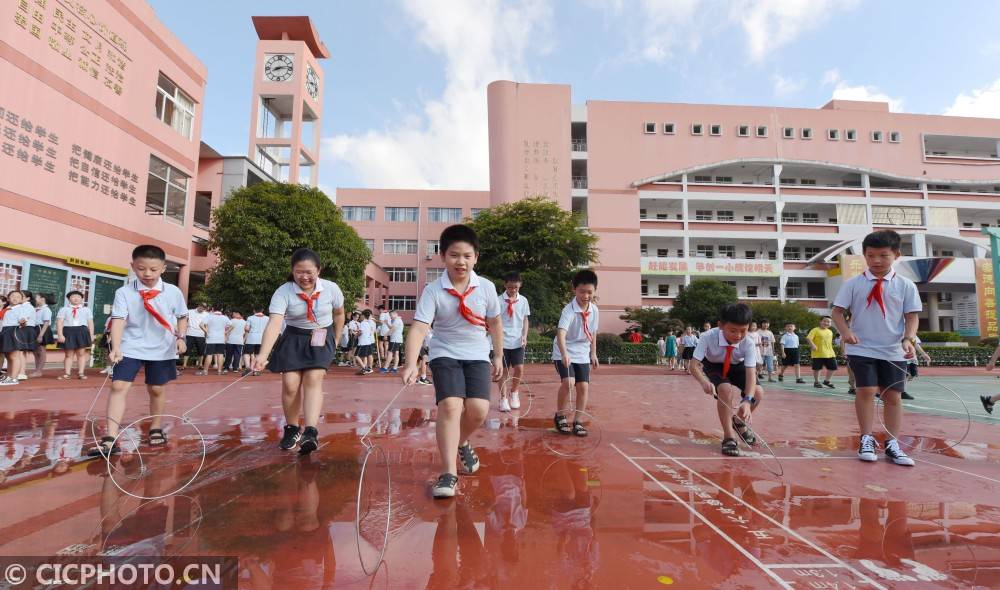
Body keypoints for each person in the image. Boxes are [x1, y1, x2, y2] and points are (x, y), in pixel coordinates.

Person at [401, 224, 503, 498]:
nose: (461, 261)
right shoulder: (434, 290)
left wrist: (499, 354)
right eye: (454, 255)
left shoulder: (487, 288)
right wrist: (411, 363)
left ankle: (461, 442)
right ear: (443, 256)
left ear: (476, 257)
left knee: (479, 410)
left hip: (478, 355)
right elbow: (420, 327)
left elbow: (494, 321)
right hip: (445, 353)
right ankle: (448, 473)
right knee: (450, 406)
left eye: (467, 256)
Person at [832, 229, 920, 467]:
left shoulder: (905, 286)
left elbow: (912, 316)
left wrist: (908, 339)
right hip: (861, 348)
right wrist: (846, 332)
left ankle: (892, 444)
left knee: (893, 395)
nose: (876, 261)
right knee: (867, 391)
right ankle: (866, 438)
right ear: (865, 256)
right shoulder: (853, 284)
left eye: (883, 255)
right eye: (871, 255)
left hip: (893, 350)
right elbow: (837, 312)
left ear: (896, 255)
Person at [90, 245, 188, 457]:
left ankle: (155, 427)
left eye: (153, 269)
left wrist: (181, 338)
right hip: (130, 346)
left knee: (156, 389)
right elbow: (118, 319)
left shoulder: (173, 292)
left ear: (163, 268)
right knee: (118, 386)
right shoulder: (124, 292)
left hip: (162, 348)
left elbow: (182, 316)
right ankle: (110, 437)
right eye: (141, 268)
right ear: (133, 266)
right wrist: (116, 347)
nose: (147, 274)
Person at [252, 248, 345, 455]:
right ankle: (292, 428)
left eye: (309, 272)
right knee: (290, 383)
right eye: (299, 272)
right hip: (294, 337)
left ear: (319, 270)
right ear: (292, 271)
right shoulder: (283, 291)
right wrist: (262, 355)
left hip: (321, 336)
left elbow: (339, 314)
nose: (304, 277)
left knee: (313, 379)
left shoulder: (331, 289)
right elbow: (275, 323)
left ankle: (310, 432)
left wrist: (336, 338)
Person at [690, 304, 765, 457]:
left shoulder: (748, 342)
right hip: (714, 365)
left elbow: (751, 373)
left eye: (743, 331)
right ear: (720, 325)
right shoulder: (707, 337)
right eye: (733, 330)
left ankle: (738, 422)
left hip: (736, 364)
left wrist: (747, 400)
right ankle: (729, 436)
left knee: (758, 392)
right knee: (724, 390)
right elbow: (694, 365)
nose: (738, 335)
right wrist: (704, 382)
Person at [552, 269, 600, 437]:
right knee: (569, 382)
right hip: (563, 350)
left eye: (589, 292)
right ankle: (560, 416)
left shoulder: (594, 310)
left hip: (582, 352)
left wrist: (593, 354)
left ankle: (578, 421)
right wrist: (564, 353)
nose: (585, 296)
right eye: (582, 291)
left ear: (594, 291)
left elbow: (593, 333)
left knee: (584, 386)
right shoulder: (569, 310)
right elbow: (561, 333)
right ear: (574, 290)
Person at [498, 271, 530, 412]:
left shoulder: (523, 301)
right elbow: (494, 321)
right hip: (502, 341)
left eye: (516, 287)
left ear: (520, 285)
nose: (513, 290)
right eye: (510, 287)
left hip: (517, 341)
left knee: (519, 368)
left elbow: (525, 319)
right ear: (505, 285)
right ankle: (503, 399)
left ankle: (514, 393)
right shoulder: (498, 300)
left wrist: (524, 335)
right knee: (503, 371)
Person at [55, 290, 94, 380]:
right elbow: (59, 322)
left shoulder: (86, 310)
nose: (76, 298)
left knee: (81, 353)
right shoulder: (64, 309)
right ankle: (67, 373)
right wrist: (60, 335)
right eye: (73, 296)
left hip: (82, 331)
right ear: (69, 299)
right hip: (68, 331)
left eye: (78, 297)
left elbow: (90, 322)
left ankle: (81, 373)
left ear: (81, 299)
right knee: (69, 354)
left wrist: (91, 334)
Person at [0, 291, 32, 385]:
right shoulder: (7, 309)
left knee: (14, 356)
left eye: (18, 297)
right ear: (8, 299)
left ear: (21, 300)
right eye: (13, 296)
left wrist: (23, 321)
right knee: (9, 356)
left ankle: (14, 378)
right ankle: (9, 376)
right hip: (5, 331)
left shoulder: (21, 309)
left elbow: (23, 319)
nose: (15, 298)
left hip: (14, 331)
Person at [807, 316, 838, 389]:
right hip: (818, 353)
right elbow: (808, 338)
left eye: (828, 322)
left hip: (830, 353)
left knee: (833, 367)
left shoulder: (830, 332)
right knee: (817, 368)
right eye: (825, 321)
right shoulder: (815, 330)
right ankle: (816, 382)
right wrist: (813, 345)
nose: (826, 323)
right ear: (820, 322)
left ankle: (827, 381)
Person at [30, 293, 54, 378]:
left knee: (41, 350)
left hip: (42, 329)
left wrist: (40, 335)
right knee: (35, 351)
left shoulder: (46, 309)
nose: (34, 299)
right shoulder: (36, 309)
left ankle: (39, 371)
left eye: (36, 297)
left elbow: (46, 323)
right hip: (34, 328)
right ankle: (37, 370)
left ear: (42, 299)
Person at [201, 307, 229, 376]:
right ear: (221, 310)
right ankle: (219, 371)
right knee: (220, 354)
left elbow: (201, 325)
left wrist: (206, 331)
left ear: (213, 309)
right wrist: (225, 332)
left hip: (211, 338)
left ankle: (205, 371)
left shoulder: (209, 316)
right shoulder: (224, 317)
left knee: (209, 354)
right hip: (221, 338)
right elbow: (232, 325)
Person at [181, 303, 207, 372]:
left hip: (201, 334)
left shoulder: (206, 314)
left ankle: (200, 364)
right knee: (187, 350)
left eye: (204, 308)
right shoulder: (190, 311)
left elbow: (207, 325)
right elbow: (184, 320)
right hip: (190, 333)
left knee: (201, 350)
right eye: (201, 307)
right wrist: (184, 330)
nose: (202, 309)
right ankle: (184, 365)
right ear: (198, 306)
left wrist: (206, 333)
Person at [244, 308, 268, 375]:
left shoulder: (250, 318)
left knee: (247, 353)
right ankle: (256, 370)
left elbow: (247, 328)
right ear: (262, 310)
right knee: (258, 354)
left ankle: (248, 368)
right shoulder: (267, 318)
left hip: (251, 338)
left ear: (254, 310)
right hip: (262, 338)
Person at [381, 309, 404, 373]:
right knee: (396, 353)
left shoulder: (397, 320)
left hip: (395, 339)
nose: (390, 317)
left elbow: (393, 329)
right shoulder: (396, 320)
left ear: (395, 314)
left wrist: (385, 335)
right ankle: (394, 368)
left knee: (390, 353)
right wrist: (387, 323)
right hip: (397, 339)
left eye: (391, 315)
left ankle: (385, 368)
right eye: (389, 315)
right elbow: (392, 328)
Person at [356, 309, 376, 375]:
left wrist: (356, 335)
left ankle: (364, 368)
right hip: (368, 342)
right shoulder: (369, 323)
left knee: (356, 356)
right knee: (365, 356)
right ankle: (364, 369)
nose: (360, 316)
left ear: (364, 315)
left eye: (361, 315)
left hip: (362, 342)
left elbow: (361, 332)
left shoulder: (363, 323)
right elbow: (370, 332)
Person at [377, 304, 391, 369]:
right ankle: (385, 355)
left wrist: (375, 320)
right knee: (386, 344)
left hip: (383, 331)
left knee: (380, 343)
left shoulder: (382, 314)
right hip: (388, 331)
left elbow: (381, 322)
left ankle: (382, 355)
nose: (379, 311)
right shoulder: (388, 313)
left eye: (379, 310)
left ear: (381, 309)